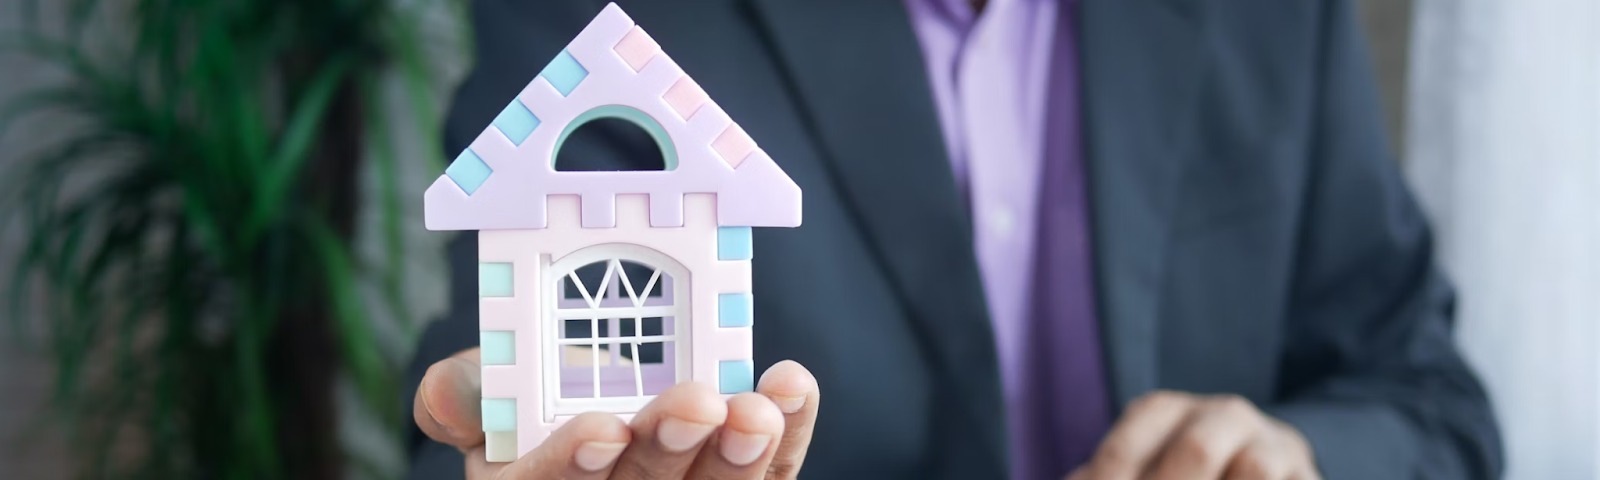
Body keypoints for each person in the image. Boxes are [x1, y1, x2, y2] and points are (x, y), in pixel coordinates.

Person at [403, 0, 1503, 479]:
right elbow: (486, 426)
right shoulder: (604, 23)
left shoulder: (1268, 14)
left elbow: (1429, 403)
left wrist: (1300, 456)